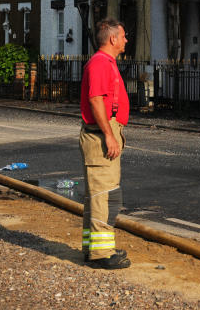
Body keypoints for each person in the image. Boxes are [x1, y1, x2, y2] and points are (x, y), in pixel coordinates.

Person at [78, 18, 132, 269]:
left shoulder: (103, 62)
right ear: (112, 39)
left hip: (102, 134)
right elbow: (96, 100)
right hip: (100, 137)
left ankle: (94, 248)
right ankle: (101, 254)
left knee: (97, 196)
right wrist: (109, 134)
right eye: (123, 36)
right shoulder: (101, 63)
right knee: (104, 196)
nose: (125, 40)